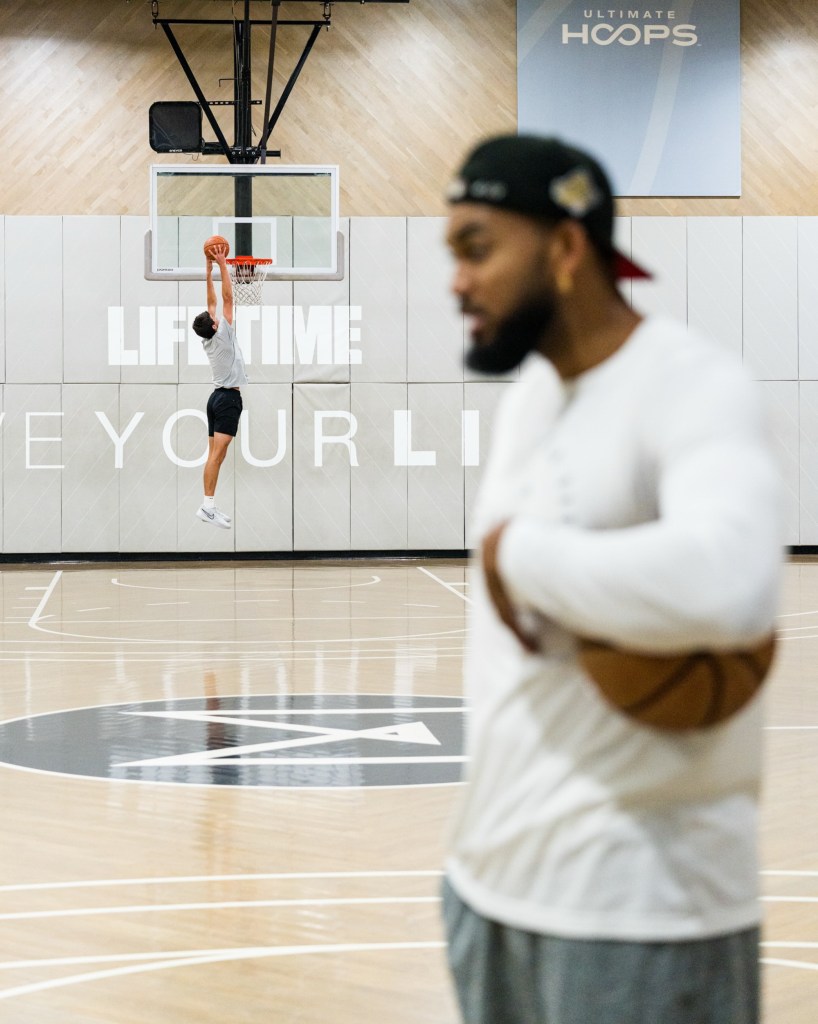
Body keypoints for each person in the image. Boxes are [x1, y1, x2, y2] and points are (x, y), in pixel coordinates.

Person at [442, 134, 784, 1024]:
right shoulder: (530, 400)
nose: (457, 281)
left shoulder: (691, 384)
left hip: (642, 909)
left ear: (564, 248)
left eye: (478, 248)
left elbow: (732, 584)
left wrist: (522, 559)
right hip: (491, 885)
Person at [191, 243, 247, 530]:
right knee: (217, 455)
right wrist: (223, 264)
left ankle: (208, 505)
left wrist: (208, 268)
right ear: (214, 326)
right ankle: (207, 506)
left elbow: (211, 302)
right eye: (213, 318)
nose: (216, 316)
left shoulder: (208, 337)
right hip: (227, 399)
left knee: (216, 454)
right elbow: (226, 298)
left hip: (216, 397)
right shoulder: (222, 334)